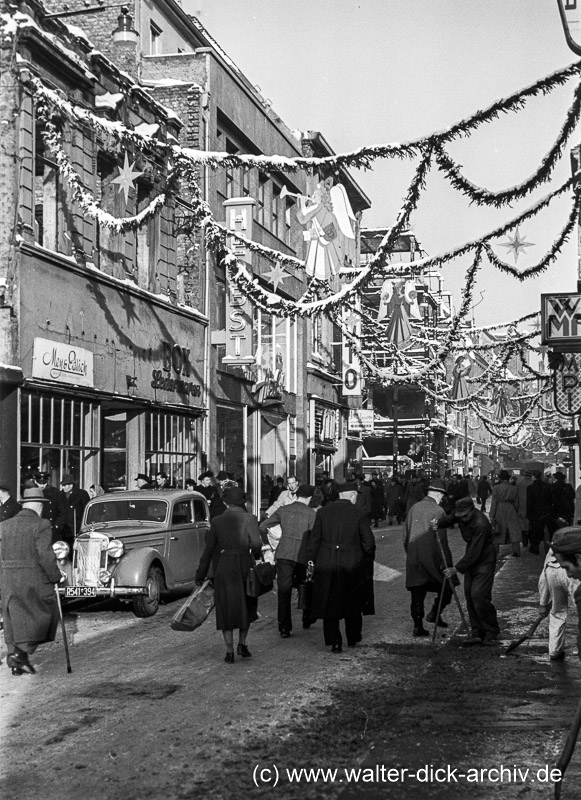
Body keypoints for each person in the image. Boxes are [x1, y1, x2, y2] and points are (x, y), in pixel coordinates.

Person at [195, 485, 262, 663]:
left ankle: (229, 650)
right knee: (247, 604)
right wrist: (256, 556)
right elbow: (256, 544)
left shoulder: (217, 521)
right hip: (244, 565)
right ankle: (242, 643)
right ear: (242, 502)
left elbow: (208, 551)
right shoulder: (250, 518)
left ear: (226, 502)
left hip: (223, 567)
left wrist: (200, 575)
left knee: (226, 607)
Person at [0, 487, 63, 675]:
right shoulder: (41, 524)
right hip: (33, 580)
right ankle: (21, 653)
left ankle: (15, 657)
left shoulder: (5, 525)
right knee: (43, 614)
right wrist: (55, 576)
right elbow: (45, 555)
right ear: (38, 505)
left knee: (13, 617)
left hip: (8, 580)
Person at [307, 481, 376, 652]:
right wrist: (367, 559)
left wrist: (312, 561)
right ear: (352, 495)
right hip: (352, 562)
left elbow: (314, 541)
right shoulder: (359, 513)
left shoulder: (323, 512)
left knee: (330, 601)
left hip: (327, 561)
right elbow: (368, 542)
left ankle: (334, 641)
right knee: (353, 600)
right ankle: (352, 637)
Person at [259, 484, 317, 637]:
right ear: (310, 498)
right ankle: (306, 617)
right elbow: (314, 538)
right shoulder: (311, 514)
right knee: (305, 585)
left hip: (284, 553)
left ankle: (284, 627)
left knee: (284, 591)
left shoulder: (283, 510)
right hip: (302, 556)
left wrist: (269, 545)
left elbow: (263, 526)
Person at [443, 496, 500, 645]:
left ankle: (491, 630)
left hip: (485, 559)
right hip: (472, 559)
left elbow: (475, 552)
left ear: (472, 511)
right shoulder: (462, 516)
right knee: (469, 594)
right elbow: (449, 520)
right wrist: (436, 523)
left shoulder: (481, 524)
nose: (463, 519)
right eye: (460, 516)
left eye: (465, 516)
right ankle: (477, 630)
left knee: (479, 595)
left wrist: (456, 569)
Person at [403, 477, 456, 637]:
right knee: (448, 587)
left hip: (414, 558)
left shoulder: (413, 508)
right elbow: (442, 542)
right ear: (437, 494)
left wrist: (411, 553)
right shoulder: (438, 511)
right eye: (442, 496)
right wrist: (446, 563)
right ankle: (435, 612)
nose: (442, 499)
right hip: (432, 561)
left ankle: (417, 626)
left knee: (417, 595)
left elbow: (405, 536)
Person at [538, 524, 580, 661]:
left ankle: (554, 650)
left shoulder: (555, 547)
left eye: (568, 568)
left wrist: (543, 603)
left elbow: (543, 576)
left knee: (557, 612)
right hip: (555, 573)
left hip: (551, 572)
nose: (570, 574)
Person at [489, 469, 521, 557]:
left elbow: (494, 502)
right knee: (513, 529)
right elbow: (517, 502)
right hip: (510, 508)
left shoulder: (496, 487)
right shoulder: (514, 488)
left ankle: (495, 551)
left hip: (499, 508)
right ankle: (516, 550)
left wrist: (492, 515)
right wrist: (515, 510)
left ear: (500, 478)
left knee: (498, 529)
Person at [55, 474, 90, 552]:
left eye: (65, 485)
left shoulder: (82, 494)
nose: (63, 487)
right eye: (62, 485)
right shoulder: (59, 495)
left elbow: (86, 511)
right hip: (63, 529)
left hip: (77, 528)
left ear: (71, 485)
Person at [526, 470, 553, 555]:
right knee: (546, 531)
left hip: (535, 513)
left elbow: (529, 502)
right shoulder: (547, 486)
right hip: (546, 512)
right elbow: (550, 499)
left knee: (535, 531)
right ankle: (547, 547)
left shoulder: (530, 488)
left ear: (533, 476)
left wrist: (529, 514)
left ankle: (535, 547)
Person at [516, 470, 533, 547]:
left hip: (521, 507)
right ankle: (531, 540)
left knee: (523, 525)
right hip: (531, 507)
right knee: (530, 524)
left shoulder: (519, 484)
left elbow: (516, 497)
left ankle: (524, 541)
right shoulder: (533, 483)